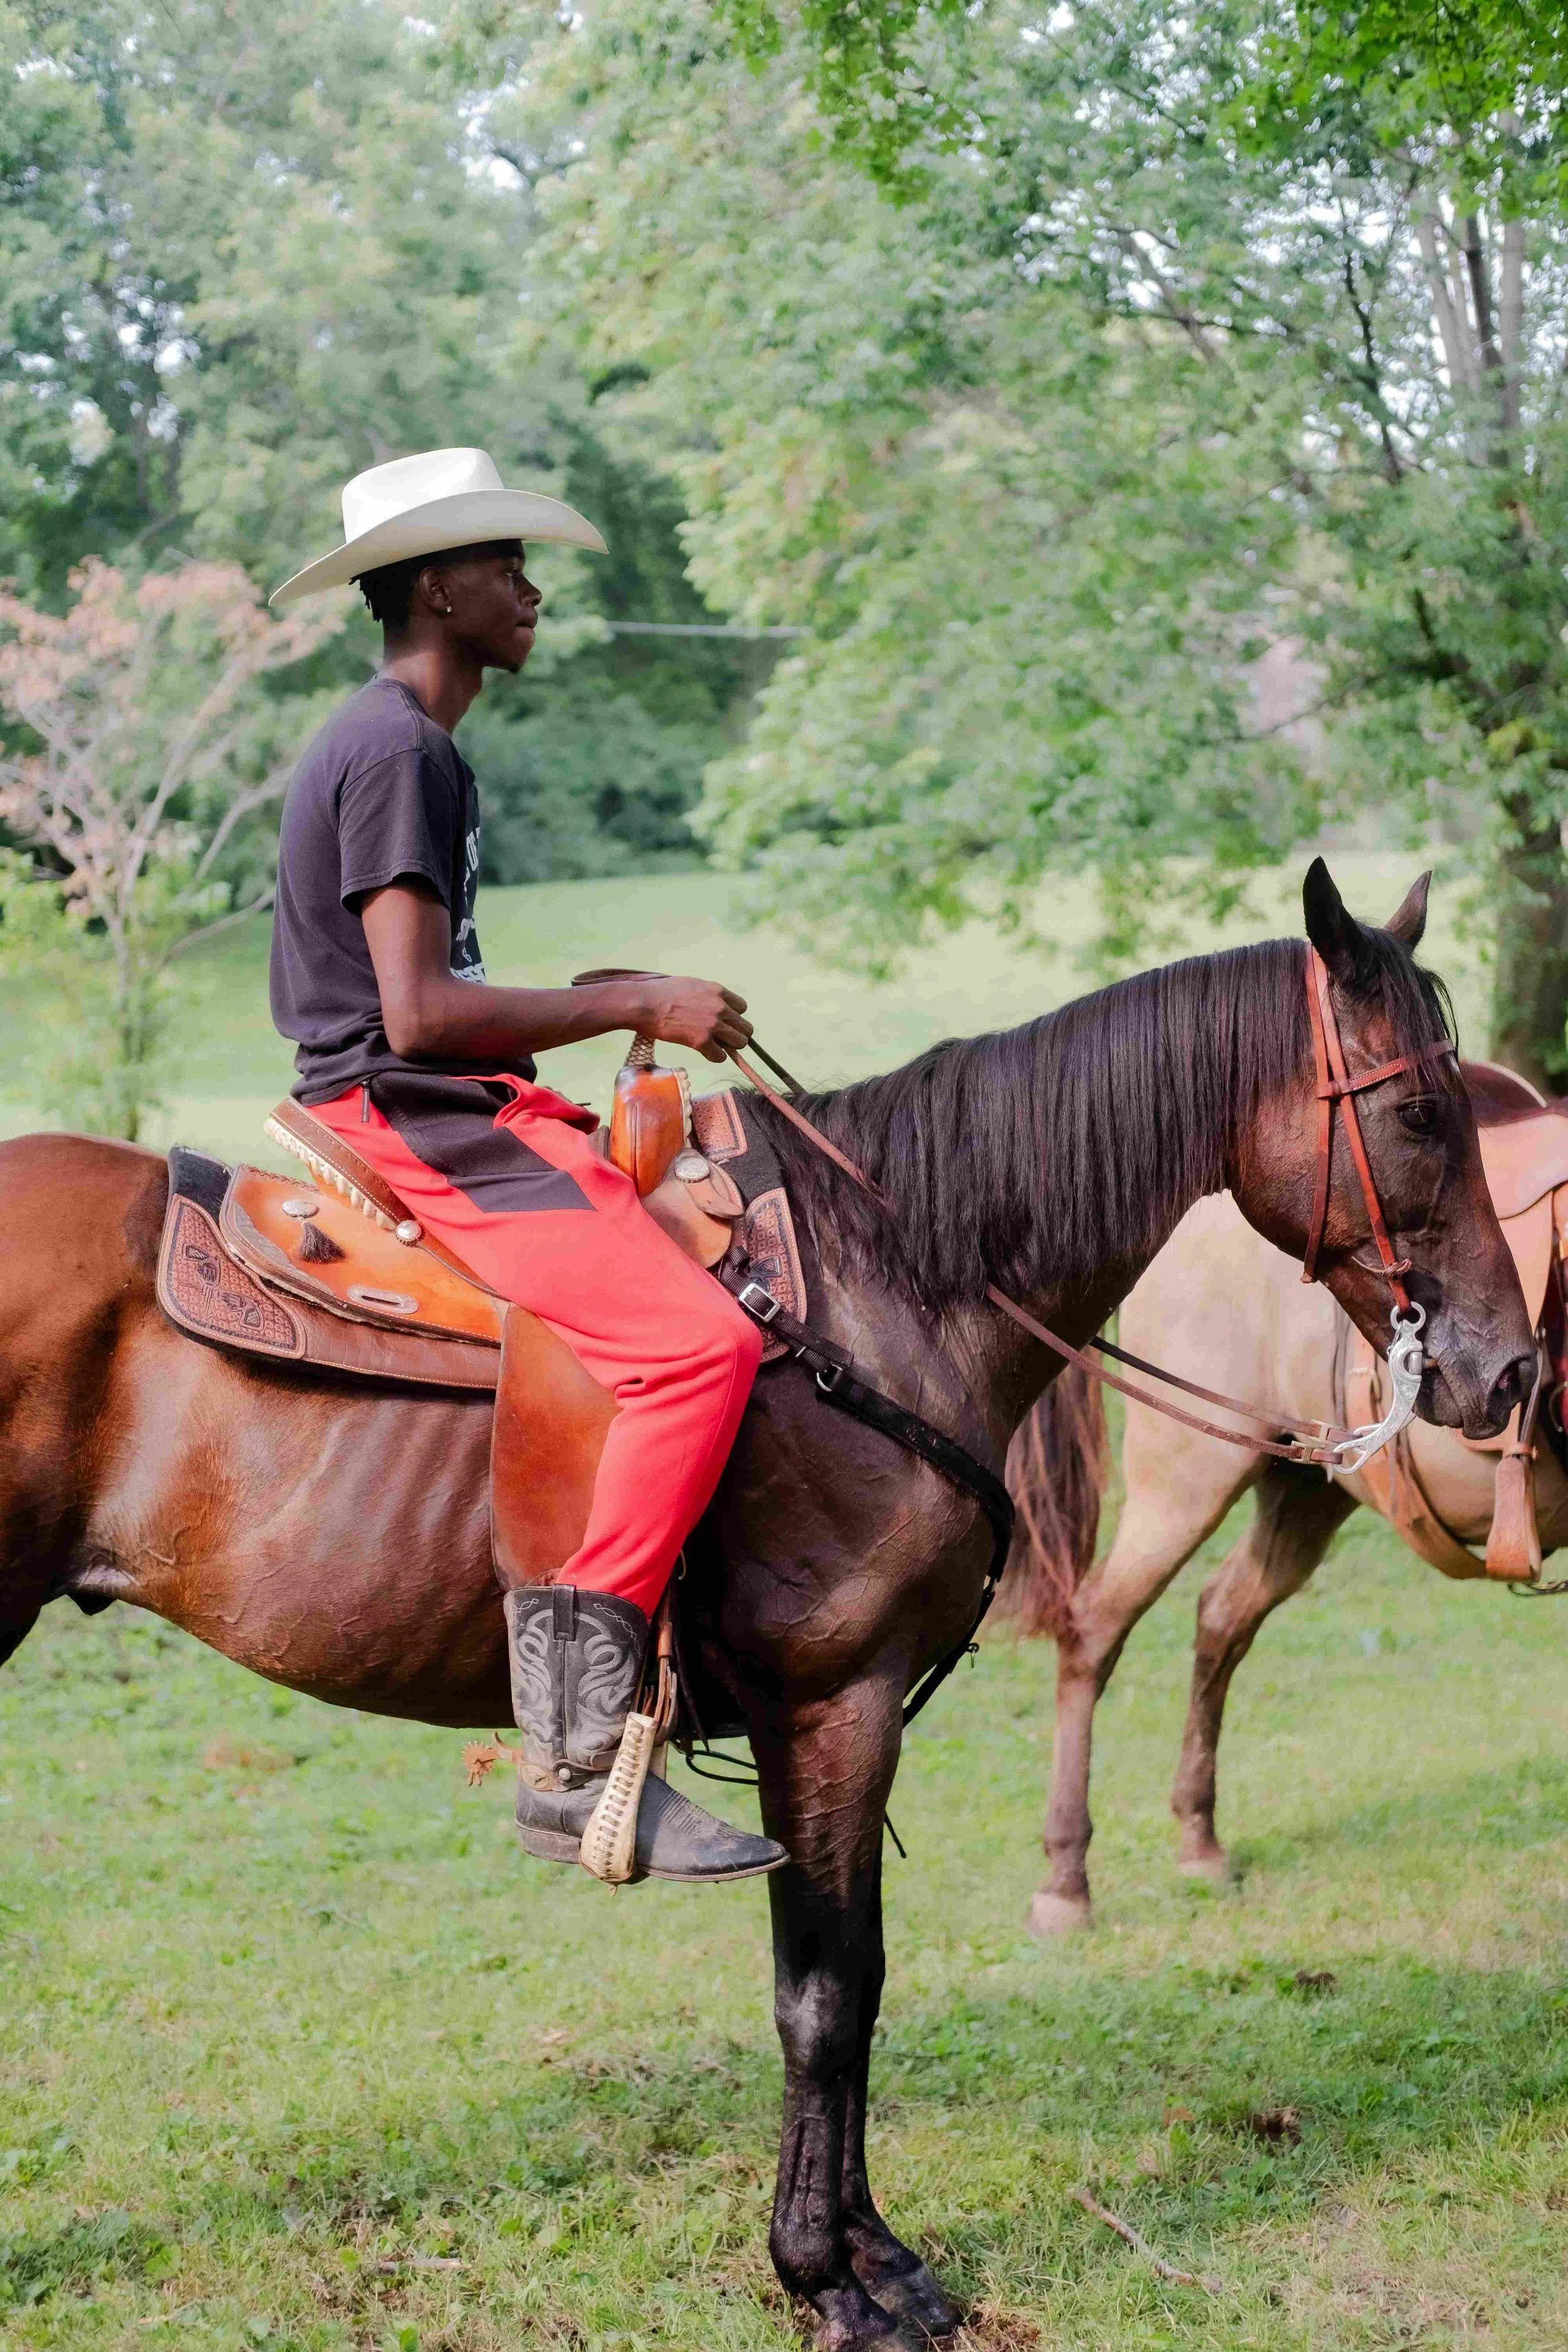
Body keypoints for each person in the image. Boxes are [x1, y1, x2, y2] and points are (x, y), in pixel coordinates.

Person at [268, 448, 783, 1884]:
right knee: (695, 1352)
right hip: (414, 1116)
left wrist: (593, 991)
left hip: (452, 1097)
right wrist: (637, 1004)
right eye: (503, 566)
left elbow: (435, 987)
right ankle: (571, 1752)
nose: (529, 590)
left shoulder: (406, 745)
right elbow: (417, 1016)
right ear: (438, 587)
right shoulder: (399, 752)